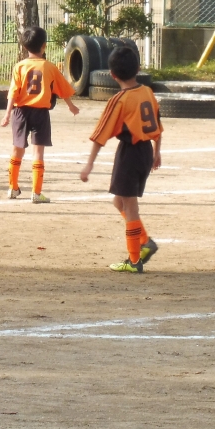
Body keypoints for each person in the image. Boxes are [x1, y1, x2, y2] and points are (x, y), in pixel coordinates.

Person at [79, 46, 163, 273]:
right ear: (138, 68)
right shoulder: (147, 91)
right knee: (119, 202)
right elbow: (157, 123)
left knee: (130, 207)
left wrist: (89, 164)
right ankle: (145, 241)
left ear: (112, 75)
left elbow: (101, 134)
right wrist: (157, 151)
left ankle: (134, 261)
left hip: (130, 153)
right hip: (145, 151)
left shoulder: (120, 100)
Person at [0, 26, 79, 203]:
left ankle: (12, 188)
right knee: (38, 152)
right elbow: (62, 90)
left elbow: (13, 92)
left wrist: (7, 114)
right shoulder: (49, 67)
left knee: (17, 149)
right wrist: (71, 106)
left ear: (24, 46)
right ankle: (36, 193)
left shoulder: (19, 66)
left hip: (20, 112)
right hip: (41, 113)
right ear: (44, 45)